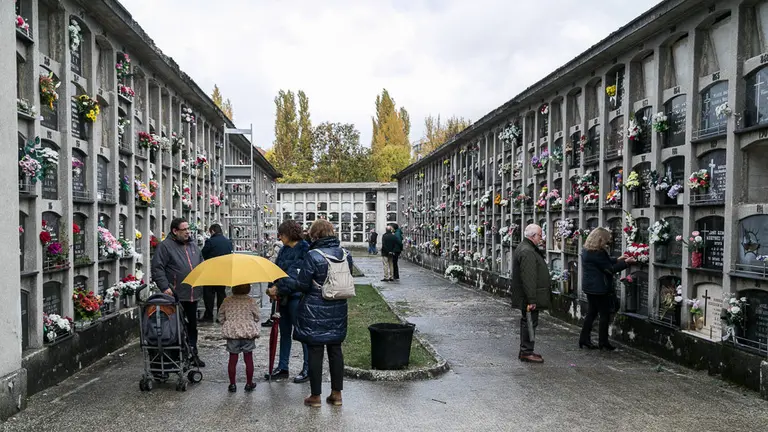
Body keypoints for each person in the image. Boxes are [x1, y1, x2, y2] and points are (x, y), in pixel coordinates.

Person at [294, 219, 353, 407]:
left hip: (315, 310)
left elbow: (303, 284)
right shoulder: (346, 254)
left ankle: (316, 396)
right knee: (336, 350)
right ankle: (337, 395)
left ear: (315, 235)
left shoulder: (313, 255)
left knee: (315, 350)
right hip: (338, 308)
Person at [151, 217, 205, 367]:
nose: (188, 232)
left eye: (189, 229)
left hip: (193, 293)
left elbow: (201, 263)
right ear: (175, 231)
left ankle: (193, 354)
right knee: (176, 327)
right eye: (184, 229)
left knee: (192, 326)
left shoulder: (193, 245)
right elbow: (157, 268)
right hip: (175, 295)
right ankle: (176, 356)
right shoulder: (165, 247)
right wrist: (165, 288)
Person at [264, 220, 310, 383]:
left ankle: (307, 368)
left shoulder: (305, 249)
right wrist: (271, 287)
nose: (280, 237)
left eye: (281, 234)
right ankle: (283, 367)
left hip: (297, 298)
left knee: (303, 334)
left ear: (289, 234)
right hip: (283, 299)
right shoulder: (284, 250)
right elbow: (277, 270)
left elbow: (296, 276)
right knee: (284, 333)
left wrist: (278, 288)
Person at [579, 227, 636, 350]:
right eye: (606, 239)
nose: (607, 242)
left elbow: (602, 262)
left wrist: (617, 259)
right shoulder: (598, 253)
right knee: (604, 314)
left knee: (591, 313)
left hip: (589, 287)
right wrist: (626, 263)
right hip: (600, 288)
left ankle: (584, 339)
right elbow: (609, 269)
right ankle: (603, 342)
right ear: (600, 239)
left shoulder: (587, 250)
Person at [510, 224, 551, 363]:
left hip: (528, 295)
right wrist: (532, 299)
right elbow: (528, 277)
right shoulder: (527, 251)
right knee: (529, 322)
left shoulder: (526, 247)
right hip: (529, 296)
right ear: (533, 236)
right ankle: (526, 352)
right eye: (540, 235)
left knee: (529, 321)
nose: (541, 238)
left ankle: (527, 350)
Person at [218, 283, 260, 392]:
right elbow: (257, 316)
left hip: (232, 333)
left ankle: (232, 384)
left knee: (232, 359)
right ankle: (249, 383)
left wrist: (226, 323)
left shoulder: (227, 300)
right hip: (247, 333)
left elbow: (221, 316)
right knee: (248, 358)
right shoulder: (251, 301)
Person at [200, 223, 233, 323]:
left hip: (211, 271)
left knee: (208, 294)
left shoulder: (210, 241)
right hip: (223, 271)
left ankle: (209, 315)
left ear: (213, 231)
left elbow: (203, 253)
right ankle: (221, 315)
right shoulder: (228, 242)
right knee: (221, 293)